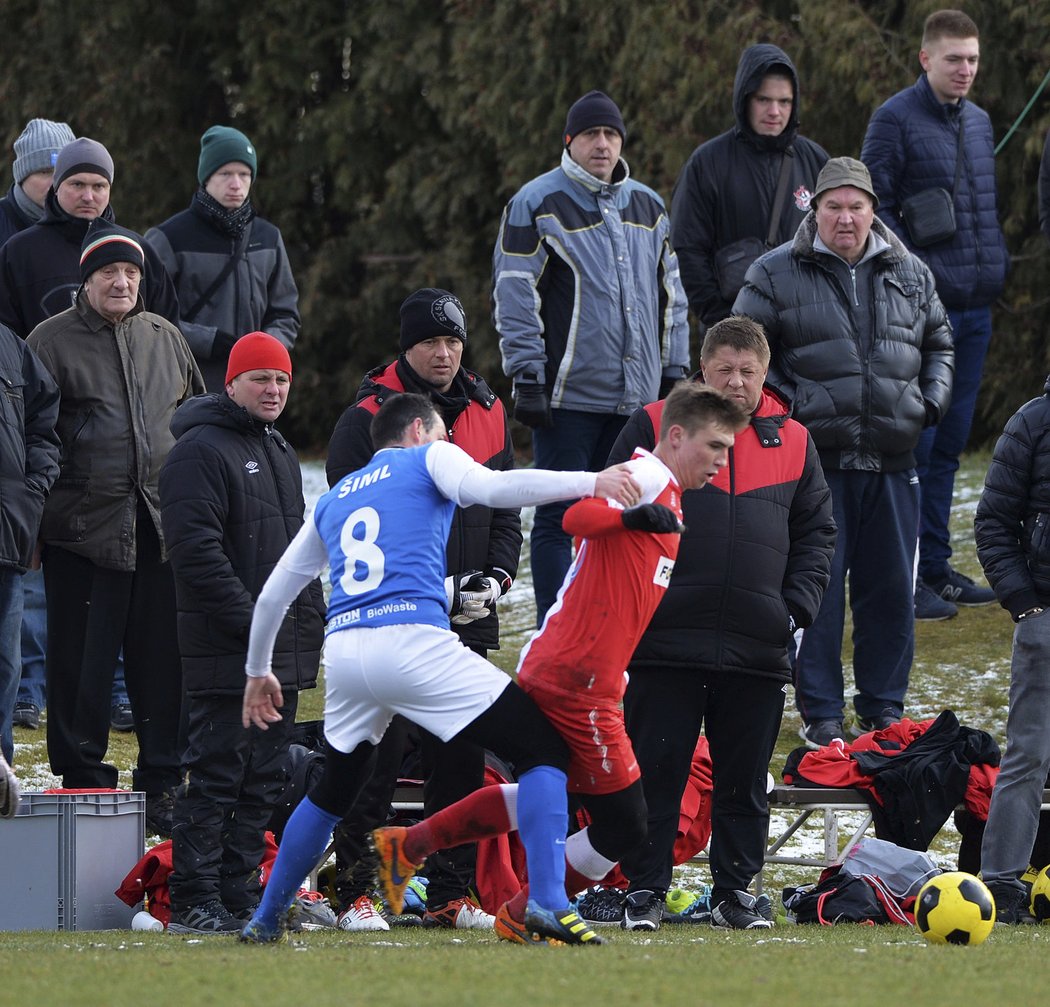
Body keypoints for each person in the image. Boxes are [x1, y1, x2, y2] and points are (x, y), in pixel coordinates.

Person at [238, 393, 645, 946]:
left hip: (349, 653)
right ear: (416, 431)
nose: (450, 448)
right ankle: (548, 902)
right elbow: (497, 490)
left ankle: (265, 919)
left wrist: (258, 670)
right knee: (541, 749)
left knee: (335, 790)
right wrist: (592, 480)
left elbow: (273, 595)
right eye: (442, 437)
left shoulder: (334, 497)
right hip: (411, 641)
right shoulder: (428, 455)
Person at [370, 384, 749, 945]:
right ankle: (529, 907)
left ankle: (411, 846)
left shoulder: (667, 493)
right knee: (624, 822)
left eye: (729, 448)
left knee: (546, 794)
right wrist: (632, 520)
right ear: (676, 435)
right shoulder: (644, 479)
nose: (723, 459)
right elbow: (575, 517)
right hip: (576, 679)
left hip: (583, 673)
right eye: (715, 445)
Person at [604, 316, 835, 931]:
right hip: (663, 640)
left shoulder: (797, 441)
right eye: (724, 370)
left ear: (764, 375)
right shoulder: (654, 425)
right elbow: (609, 512)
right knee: (654, 774)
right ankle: (644, 891)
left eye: (748, 372)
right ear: (702, 370)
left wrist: (795, 609)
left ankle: (736, 893)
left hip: (756, 644)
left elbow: (817, 534)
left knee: (743, 783)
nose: (736, 382)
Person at [733, 156, 953, 749]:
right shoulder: (774, 272)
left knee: (890, 594)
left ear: (873, 211)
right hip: (816, 465)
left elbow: (940, 341)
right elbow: (749, 354)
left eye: (857, 206)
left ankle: (884, 708)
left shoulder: (910, 271)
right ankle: (821, 713)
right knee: (817, 594)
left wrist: (925, 405)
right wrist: (794, 408)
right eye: (834, 205)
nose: (846, 218)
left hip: (894, 460)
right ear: (816, 210)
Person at [324, 288, 521, 932]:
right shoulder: (367, 415)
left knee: (459, 757)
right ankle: (354, 887)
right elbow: (351, 511)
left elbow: (504, 508)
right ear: (405, 347)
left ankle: (450, 890)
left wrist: (493, 576)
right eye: (430, 342)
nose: (443, 353)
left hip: (465, 619)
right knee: (373, 757)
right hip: (387, 616)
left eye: (453, 342)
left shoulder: (488, 408)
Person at [26, 220, 204, 836]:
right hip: (81, 529)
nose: (122, 281)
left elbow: (197, 425)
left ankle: (163, 784)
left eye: (131, 272)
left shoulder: (166, 337)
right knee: (81, 667)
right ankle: (84, 784)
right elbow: (33, 436)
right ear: (87, 280)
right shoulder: (48, 343)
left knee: (163, 666)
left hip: (159, 527)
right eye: (110, 272)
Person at [493, 88, 689, 624]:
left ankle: (607, 627)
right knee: (561, 518)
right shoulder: (536, 203)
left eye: (610, 134)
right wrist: (526, 373)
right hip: (567, 396)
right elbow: (514, 290)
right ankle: (556, 629)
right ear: (569, 141)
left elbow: (672, 291)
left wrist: (675, 368)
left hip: (637, 397)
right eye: (590, 135)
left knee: (622, 515)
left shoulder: (648, 205)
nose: (602, 144)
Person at [159, 332, 324, 935]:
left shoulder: (278, 449)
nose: (273, 389)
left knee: (264, 780)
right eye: (260, 378)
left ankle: (239, 894)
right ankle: (193, 898)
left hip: (280, 654)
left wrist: (310, 620)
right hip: (224, 652)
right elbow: (195, 553)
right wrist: (255, 623)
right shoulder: (199, 451)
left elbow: (299, 550)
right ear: (230, 384)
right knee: (216, 775)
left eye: (281, 379)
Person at [861, 9, 1008, 621]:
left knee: (948, 444)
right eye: (954, 59)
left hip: (976, 309)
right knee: (914, 446)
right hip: (920, 313)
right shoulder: (893, 119)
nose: (966, 69)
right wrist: (917, 277)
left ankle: (938, 567)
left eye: (972, 59)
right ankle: (905, 575)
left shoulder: (978, 123)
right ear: (926, 59)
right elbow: (873, 208)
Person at [670, 44, 828, 328]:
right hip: (735, 332)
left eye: (785, 102)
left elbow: (839, 241)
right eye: (763, 99)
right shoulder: (707, 163)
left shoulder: (815, 160)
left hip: (807, 333)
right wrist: (721, 322)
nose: (774, 111)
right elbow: (688, 249)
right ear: (745, 99)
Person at [974, 378, 1050, 923]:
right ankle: (1000, 885)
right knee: (1028, 757)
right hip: (1043, 617)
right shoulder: (1032, 421)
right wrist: (1025, 605)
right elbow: (993, 521)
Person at [146, 125, 300, 392]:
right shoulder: (168, 238)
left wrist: (265, 350)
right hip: (189, 384)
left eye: (244, 174)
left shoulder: (268, 237)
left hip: (256, 387)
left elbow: (286, 312)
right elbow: (147, 317)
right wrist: (208, 341)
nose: (236, 184)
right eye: (225, 173)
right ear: (206, 177)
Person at [0, 136, 180, 337]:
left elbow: (167, 335)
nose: (88, 196)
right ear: (57, 187)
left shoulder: (140, 250)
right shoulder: (19, 252)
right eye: (77, 184)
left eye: (98, 186)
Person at [0, 318, 60, 768]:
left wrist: (31, 489)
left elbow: (43, 421)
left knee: (5, 667)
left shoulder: (9, 344)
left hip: (5, 537)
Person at [0, 118, 74, 248]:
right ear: (22, 176)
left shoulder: (85, 226)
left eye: (62, 172)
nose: (54, 184)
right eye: (45, 172)